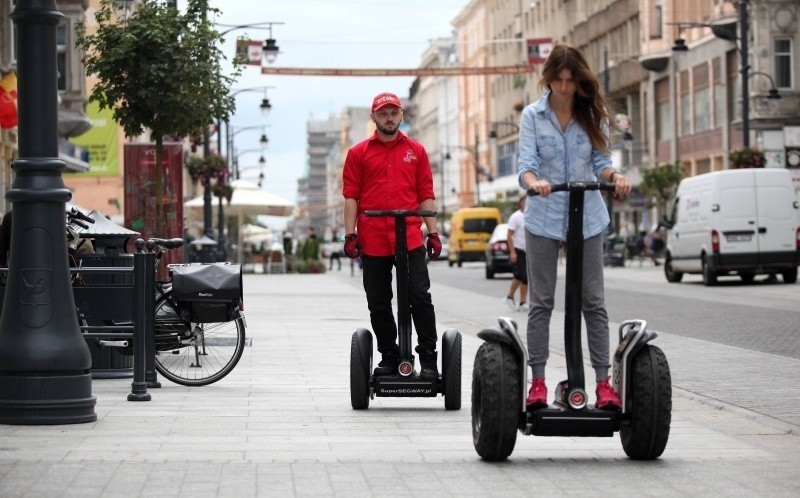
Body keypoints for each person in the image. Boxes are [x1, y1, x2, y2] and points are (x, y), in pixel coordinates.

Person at [517, 44, 632, 410]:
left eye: (571, 81)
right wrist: (534, 182)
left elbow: (601, 161)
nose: (565, 88)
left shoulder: (590, 113)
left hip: (588, 218)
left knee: (593, 303)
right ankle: (537, 382)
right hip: (544, 217)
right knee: (542, 301)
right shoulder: (533, 116)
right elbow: (525, 164)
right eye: (559, 80)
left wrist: (614, 176)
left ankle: (603, 384)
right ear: (548, 79)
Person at [341, 91, 442, 380]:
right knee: (378, 301)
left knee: (419, 297)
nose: (389, 117)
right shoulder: (359, 153)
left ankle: (428, 355)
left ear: (402, 115)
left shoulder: (417, 151)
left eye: (394, 112)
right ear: (374, 117)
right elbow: (351, 197)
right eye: (383, 113)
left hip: (409, 237)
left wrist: (433, 234)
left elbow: (426, 195)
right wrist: (350, 235)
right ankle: (389, 353)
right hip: (373, 239)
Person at [502, 196, 528, 312]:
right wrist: (512, 252)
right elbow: (509, 235)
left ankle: (523, 302)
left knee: (526, 278)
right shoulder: (516, 217)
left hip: (527, 251)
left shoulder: (529, 216)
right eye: (524, 202)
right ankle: (509, 296)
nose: (526, 204)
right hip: (517, 250)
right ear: (520, 203)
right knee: (519, 275)